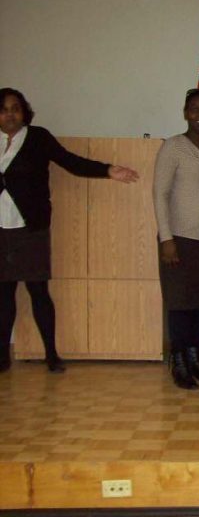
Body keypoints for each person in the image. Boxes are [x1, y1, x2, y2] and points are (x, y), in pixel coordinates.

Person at [0, 88, 138, 374]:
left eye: (15, 108)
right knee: (3, 294)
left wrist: (108, 170)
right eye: (3, 109)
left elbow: (70, 162)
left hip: (30, 228)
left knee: (38, 292)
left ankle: (52, 354)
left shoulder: (37, 138)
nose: (10, 114)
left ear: (24, 111)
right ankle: (2, 356)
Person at [153, 88, 199, 390]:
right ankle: (179, 364)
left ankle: (196, 361)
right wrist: (167, 239)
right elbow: (160, 193)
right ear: (185, 112)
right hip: (178, 240)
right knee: (179, 305)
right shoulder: (173, 147)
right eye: (195, 109)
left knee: (196, 305)